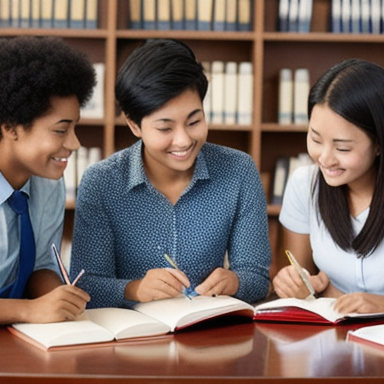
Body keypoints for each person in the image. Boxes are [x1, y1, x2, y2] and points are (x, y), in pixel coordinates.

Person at [70, 39, 271, 308]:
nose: (184, 140)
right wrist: (135, 288)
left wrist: (235, 282)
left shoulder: (238, 171)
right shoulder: (102, 182)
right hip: (130, 337)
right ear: (134, 125)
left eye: (194, 121)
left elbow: (257, 278)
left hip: (205, 333)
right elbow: (85, 285)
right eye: (165, 128)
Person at [272, 59, 384, 314]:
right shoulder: (304, 185)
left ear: (379, 143)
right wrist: (295, 285)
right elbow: (305, 279)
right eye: (315, 138)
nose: (325, 158)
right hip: (333, 338)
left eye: (342, 148)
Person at [0, 36, 95, 323]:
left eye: (75, 127)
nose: (75, 143)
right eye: (60, 130)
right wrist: (29, 310)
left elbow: (40, 264)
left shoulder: (48, 183)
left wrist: (61, 299)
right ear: (11, 127)